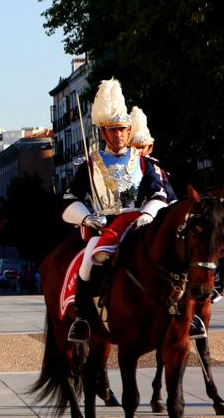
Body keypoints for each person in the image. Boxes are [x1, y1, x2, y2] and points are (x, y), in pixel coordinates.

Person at [63, 79, 170, 343]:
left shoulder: (143, 163)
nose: (119, 135)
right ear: (103, 132)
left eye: (123, 129)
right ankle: (82, 318)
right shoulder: (89, 164)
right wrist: (87, 217)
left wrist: (147, 214)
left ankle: (184, 314)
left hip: (138, 224)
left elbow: (160, 193)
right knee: (88, 262)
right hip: (105, 226)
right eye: (113, 130)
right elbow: (68, 199)